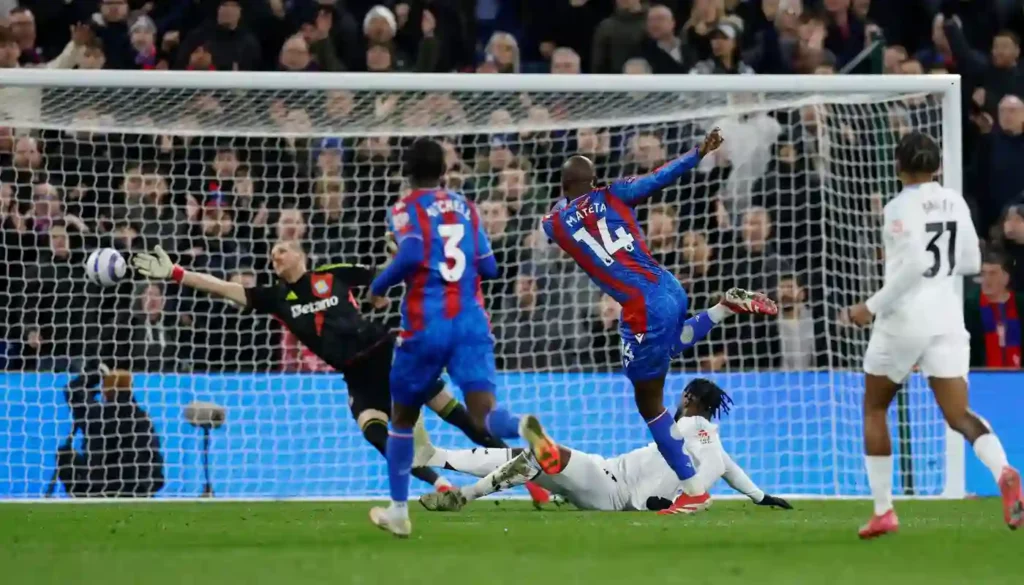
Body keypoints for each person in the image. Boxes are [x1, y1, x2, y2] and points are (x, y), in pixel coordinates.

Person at [130, 241, 513, 495]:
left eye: (281, 250)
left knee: (455, 415)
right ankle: (442, 487)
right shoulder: (276, 299)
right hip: (357, 376)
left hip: (389, 354)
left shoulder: (334, 275)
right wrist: (177, 273)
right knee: (374, 432)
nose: (275, 257)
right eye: (272, 255)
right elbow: (222, 287)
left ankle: (524, 469)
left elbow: (385, 277)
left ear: (300, 255)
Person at [541, 128, 778, 515]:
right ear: (595, 181)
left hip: (640, 307)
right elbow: (659, 177)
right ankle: (721, 309)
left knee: (650, 404)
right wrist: (697, 153)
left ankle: (693, 489)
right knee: (664, 351)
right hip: (669, 286)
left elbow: (553, 216)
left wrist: (573, 195)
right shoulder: (614, 193)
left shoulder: (555, 222)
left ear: (564, 185)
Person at [846, 131, 1024, 538]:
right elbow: (970, 260)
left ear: (898, 166)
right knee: (958, 414)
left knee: (875, 407)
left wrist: (867, 308)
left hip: (904, 318)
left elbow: (911, 268)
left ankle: (883, 511)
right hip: (947, 317)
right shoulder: (955, 200)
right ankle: (1004, 470)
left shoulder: (897, 207)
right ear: (937, 166)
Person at [366, 138, 527, 537]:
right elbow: (490, 269)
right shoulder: (467, 207)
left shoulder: (404, 209)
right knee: (484, 413)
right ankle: (524, 427)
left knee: (402, 418)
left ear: (407, 171)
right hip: (471, 322)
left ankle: (399, 513)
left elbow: (410, 254)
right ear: (444, 171)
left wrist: (379, 286)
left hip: (426, 323)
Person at [418, 378, 792, 514]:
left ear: (690, 397)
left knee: (544, 455)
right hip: (603, 476)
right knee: (525, 459)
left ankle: (463, 495)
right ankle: (436, 458)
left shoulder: (694, 425)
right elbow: (729, 469)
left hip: (613, 489)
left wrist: (684, 500)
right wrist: (760, 497)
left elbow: (713, 466)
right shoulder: (705, 441)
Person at [56, 364, 165, 497]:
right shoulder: (143, 419)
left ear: (106, 390)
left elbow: (72, 389)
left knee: (64, 454)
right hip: (137, 487)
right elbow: (154, 455)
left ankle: (81, 500)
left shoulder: (96, 416)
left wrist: (97, 373)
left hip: (100, 487)